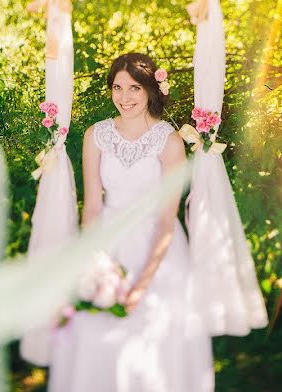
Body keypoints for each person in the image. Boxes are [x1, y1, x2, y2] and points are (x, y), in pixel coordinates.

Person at [48, 53, 214, 392]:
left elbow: (168, 217)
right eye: (118, 88)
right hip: (107, 242)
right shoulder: (96, 135)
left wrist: (142, 282)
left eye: (134, 88)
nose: (125, 97)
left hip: (159, 248)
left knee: (154, 342)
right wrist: (95, 263)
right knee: (96, 337)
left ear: (150, 90)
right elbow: (92, 207)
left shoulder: (169, 141)